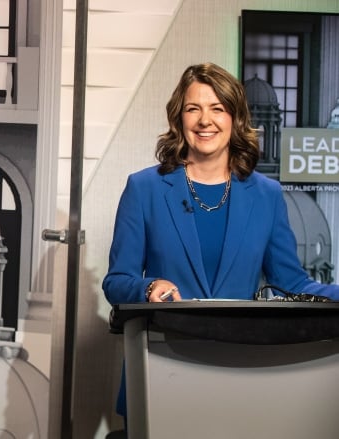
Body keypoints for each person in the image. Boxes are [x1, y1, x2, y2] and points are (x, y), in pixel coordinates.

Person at [101, 62, 339, 426]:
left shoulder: (267, 195)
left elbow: (293, 285)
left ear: (235, 118)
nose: (204, 120)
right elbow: (116, 281)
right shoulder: (144, 188)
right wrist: (149, 285)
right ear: (179, 118)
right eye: (193, 108)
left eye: (218, 108)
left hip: (238, 370)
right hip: (161, 366)